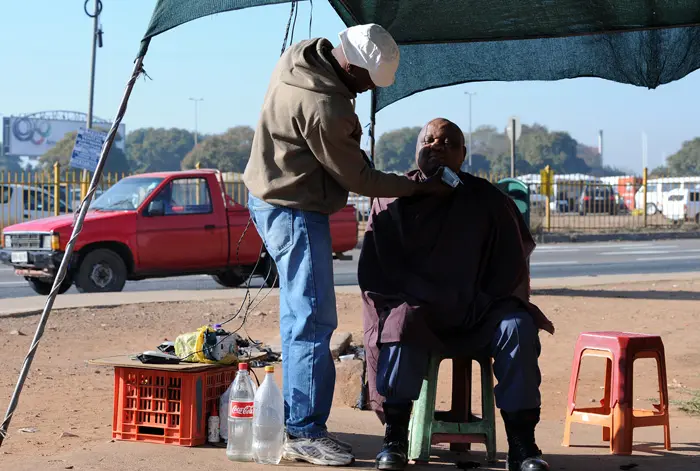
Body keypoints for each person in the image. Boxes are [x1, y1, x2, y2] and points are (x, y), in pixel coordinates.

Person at [243, 25, 450, 467]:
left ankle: (297, 419)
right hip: (294, 209)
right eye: (369, 81)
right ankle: (303, 432)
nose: (369, 90)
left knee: (299, 317)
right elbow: (358, 179)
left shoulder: (301, 57)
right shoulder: (327, 108)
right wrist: (415, 189)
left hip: (266, 197)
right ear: (352, 67)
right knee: (312, 320)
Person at [358, 118, 555, 471]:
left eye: (448, 143)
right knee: (400, 321)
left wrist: (505, 302)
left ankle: (523, 444)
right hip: (420, 309)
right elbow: (376, 273)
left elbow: (513, 264)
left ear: (462, 155)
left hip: (477, 310)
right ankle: (395, 438)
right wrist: (407, 298)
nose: (437, 147)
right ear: (417, 149)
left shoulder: (487, 199)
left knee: (518, 327)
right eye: (429, 140)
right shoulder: (392, 197)